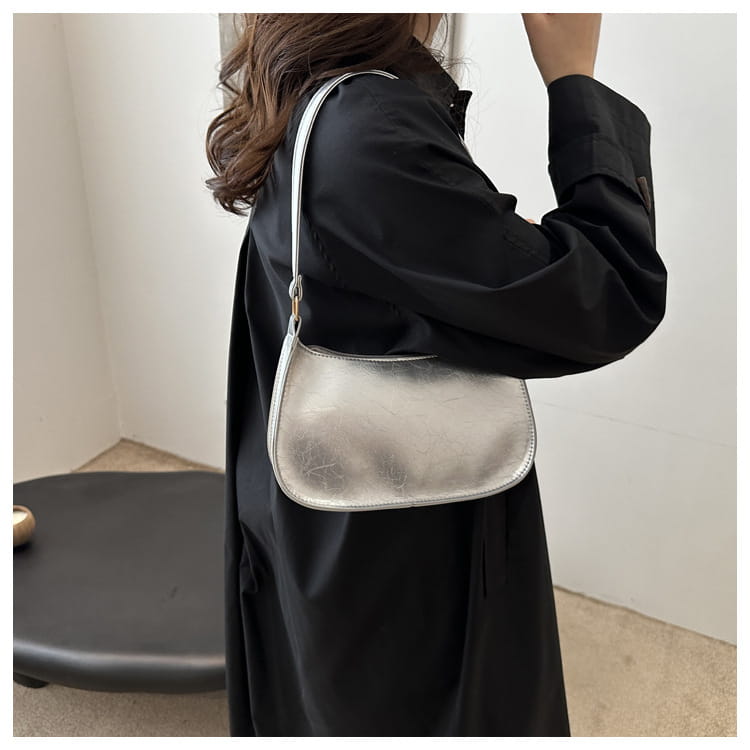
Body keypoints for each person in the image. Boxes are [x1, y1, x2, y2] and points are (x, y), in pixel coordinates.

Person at [205, 13, 667, 737]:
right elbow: (610, 295)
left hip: (334, 506)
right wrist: (573, 78)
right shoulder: (369, 127)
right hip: (398, 527)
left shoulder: (310, 77)